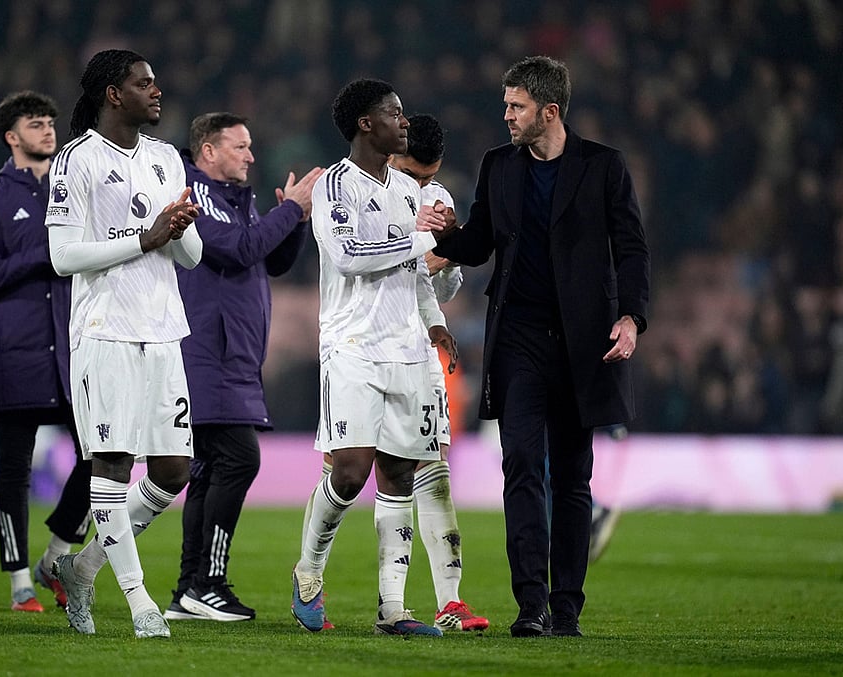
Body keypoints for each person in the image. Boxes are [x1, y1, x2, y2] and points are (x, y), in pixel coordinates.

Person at [425, 56, 650, 637]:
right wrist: (444, 236)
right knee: (522, 463)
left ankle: (567, 606)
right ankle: (531, 605)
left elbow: (631, 248)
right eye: (506, 105)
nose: (506, 116)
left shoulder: (603, 167)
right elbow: (480, 239)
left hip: (584, 344)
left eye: (516, 106)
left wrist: (631, 317)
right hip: (518, 339)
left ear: (549, 111)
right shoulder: (498, 166)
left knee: (573, 477)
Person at [303, 113, 488, 633]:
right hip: (353, 346)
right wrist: (420, 245)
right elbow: (355, 256)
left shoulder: (431, 200)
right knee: (347, 470)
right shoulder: (345, 186)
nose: (425, 186)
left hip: (412, 349)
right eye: (415, 172)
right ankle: (310, 572)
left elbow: (436, 286)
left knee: (424, 471)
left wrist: (443, 270)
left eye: (432, 176)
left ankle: (431, 604)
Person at [45, 49, 202, 640]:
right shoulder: (75, 161)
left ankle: (82, 569)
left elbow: (193, 255)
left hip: (164, 329)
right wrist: (145, 235)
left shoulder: (165, 159)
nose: (156, 91)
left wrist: (177, 233)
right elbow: (63, 257)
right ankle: (140, 605)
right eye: (144, 83)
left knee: (173, 469)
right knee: (110, 466)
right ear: (114, 94)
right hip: (105, 332)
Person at [163, 113, 322, 623]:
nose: (251, 156)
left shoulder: (239, 199)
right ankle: (207, 583)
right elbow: (236, 250)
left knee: (208, 470)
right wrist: (291, 211)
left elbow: (270, 261)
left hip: (233, 354)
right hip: (209, 351)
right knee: (239, 459)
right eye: (240, 146)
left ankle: (189, 591)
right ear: (208, 151)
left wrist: (295, 222)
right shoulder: (196, 193)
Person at [0, 90, 94, 613]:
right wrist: (44, 256)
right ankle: (20, 583)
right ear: (11, 136)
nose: (47, 130)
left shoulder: (71, 190)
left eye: (49, 122)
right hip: (16, 353)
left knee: (101, 457)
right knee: (14, 468)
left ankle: (57, 554)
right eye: (35, 124)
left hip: (72, 352)